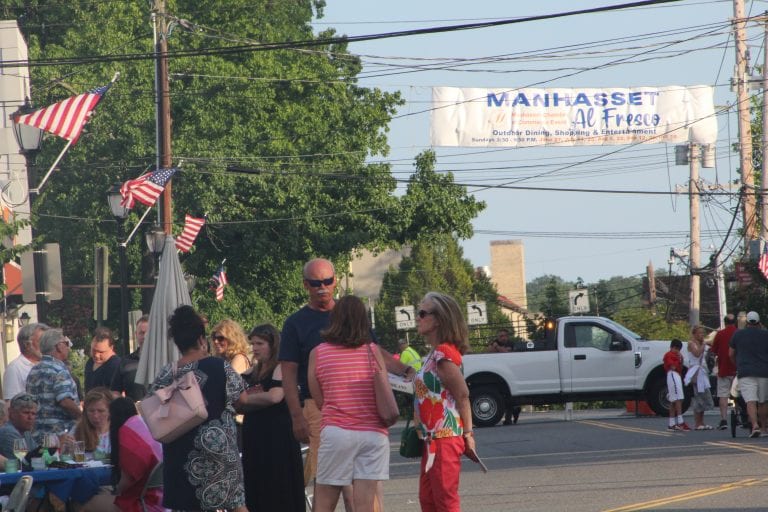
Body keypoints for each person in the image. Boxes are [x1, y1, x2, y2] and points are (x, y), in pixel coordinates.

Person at [279, 258, 414, 499]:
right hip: (320, 407)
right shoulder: (296, 324)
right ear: (305, 285)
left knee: (362, 485)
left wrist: (404, 370)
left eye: (327, 281)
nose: (322, 286)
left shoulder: (350, 313)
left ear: (336, 281)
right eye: (315, 282)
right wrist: (297, 416)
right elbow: (288, 373)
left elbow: (374, 350)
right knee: (331, 482)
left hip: (363, 404)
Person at [148, 305, 247, 512]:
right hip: (218, 453)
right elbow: (241, 400)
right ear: (202, 340)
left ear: (177, 342)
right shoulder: (220, 367)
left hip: (180, 456)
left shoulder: (166, 374)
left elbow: (153, 407)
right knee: (237, 506)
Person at [307, 296, 392, 512]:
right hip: (373, 435)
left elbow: (319, 400)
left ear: (334, 319)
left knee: (324, 503)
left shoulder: (318, 353)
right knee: (364, 504)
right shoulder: (372, 351)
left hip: (337, 432)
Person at [413, 291, 478, 512]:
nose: (417, 317)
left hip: (444, 438)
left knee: (444, 500)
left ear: (439, 319)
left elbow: (462, 394)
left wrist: (468, 434)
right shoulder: (433, 354)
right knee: (429, 499)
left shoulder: (442, 353)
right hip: (432, 440)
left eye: (422, 313)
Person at [237, 324, 304, 512]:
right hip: (255, 438)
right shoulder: (251, 372)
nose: (255, 348)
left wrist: (246, 399)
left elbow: (275, 396)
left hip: (277, 439)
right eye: (253, 344)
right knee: (257, 487)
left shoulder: (281, 367)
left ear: (272, 345)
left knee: (279, 488)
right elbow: (234, 397)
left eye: (260, 343)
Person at [77, 397, 165, 512]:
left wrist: (116, 490)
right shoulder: (144, 426)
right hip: (162, 500)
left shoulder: (128, 434)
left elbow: (127, 481)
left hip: (144, 503)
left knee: (85, 503)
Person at [26, 329, 81, 441]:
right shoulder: (59, 370)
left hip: (37, 434)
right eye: (66, 344)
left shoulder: (33, 370)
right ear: (59, 346)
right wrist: (82, 417)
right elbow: (65, 401)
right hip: (60, 436)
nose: (68, 347)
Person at [729, 311, 768, 438]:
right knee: (762, 401)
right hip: (763, 371)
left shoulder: (738, 334)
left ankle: (754, 425)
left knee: (750, 401)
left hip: (745, 371)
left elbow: (731, 353)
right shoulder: (765, 334)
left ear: (746, 322)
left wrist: (737, 365)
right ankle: (763, 428)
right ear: (758, 322)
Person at [2, 323, 49, 401]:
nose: (46, 345)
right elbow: (11, 403)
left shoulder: (48, 364)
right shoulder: (15, 368)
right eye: (42, 341)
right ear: (27, 345)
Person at [111, 315, 149, 401]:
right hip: (133, 413)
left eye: (149, 332)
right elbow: (115, 392)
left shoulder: (164, 360)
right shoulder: (125, 362)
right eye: (142, 333)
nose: (145, 336)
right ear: (136, 334)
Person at [684, 325, 714, 430]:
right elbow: (696, 354)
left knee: (703, 397)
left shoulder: (702, 344)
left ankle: (702, 422)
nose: (702, 335)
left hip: (702, 371)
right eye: (700, 333)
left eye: (703, 333)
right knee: (697, 397)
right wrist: (704, 345)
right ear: (694, 334)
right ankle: (697, 423)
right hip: (695, 372)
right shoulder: (691, 343)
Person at [711, 313, 738, 430]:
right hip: (738, 369)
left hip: (723, 369)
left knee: (723, 395)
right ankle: (739, 416)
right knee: (739, 395)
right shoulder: (739, 333)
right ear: (735, 322)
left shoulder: (720, 334)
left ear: (725, 322)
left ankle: (723, 419)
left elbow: (714, 351)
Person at [72, 387, 113, 455]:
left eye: (101, 411)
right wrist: (69, 449)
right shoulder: (78, 429)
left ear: (110, 410)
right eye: (91, 411)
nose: (95, 416)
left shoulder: (119, 430)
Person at [0, 393, 38, 462]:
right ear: (12, 413)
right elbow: (24, 464)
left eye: (33, 414)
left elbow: (38, 456)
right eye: (26, 412)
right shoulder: (8, 432)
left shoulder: (25, 432)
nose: (30, 417)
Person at [84, 327, 121, 393]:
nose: (96, 355)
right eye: (94, 350)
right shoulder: (90, 362)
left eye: (101, 352)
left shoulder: (117, 366)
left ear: (111, 348)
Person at [663, 339, 689, 431]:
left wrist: (681, 360)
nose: (677, 351)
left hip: (676, 375)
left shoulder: (677, 356)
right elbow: (673, 366)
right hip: (673, 374)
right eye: (676, 349)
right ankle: (680, 421)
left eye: (678, 349)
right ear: (672, 347)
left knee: (674, 400)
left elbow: (680, 368)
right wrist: (679, 360)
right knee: (678, 398)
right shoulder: (669, 355)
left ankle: (672, 423)